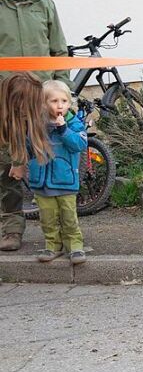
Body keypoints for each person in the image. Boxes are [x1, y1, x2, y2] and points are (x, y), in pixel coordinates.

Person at [0, 0, 70, 253]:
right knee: (7, 166)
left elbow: (59, 52)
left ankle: (56, 233)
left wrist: (64, 93)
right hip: (5, 99)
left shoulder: (44, 5)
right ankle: (12, 229)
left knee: (48, 162)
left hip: (41, 98)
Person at [27, 80, 87, 264]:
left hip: (65, 180)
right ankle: (52, 245)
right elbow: (29, 146)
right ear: (44, 103)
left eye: (64, 101)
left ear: (70, 103)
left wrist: (63, 130)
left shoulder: (73, 123)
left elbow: (79, 144)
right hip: (42, 181)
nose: (60, 105)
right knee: (47, 218)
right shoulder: (37, 123)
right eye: (54, 101)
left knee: (69, 217)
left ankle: (75, 246)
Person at [1, 74, 52, 252]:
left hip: (35, 82)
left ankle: (59, 232)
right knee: (6, 180)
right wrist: (17, 162)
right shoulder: (6, 112)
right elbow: (12, 135)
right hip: (6, 135)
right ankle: (11, 229)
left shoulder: (36, 105)